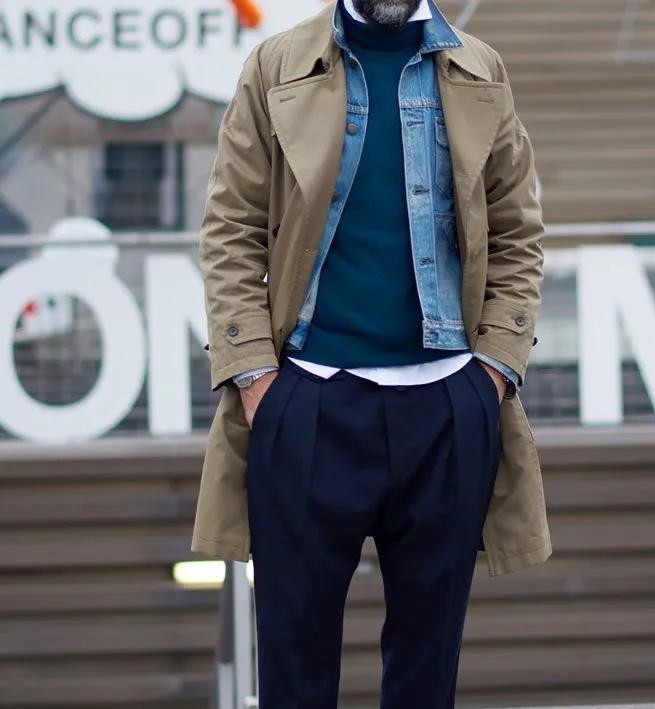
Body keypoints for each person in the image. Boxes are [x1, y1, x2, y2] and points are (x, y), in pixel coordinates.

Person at [192, 0, 552, 706]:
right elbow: (229, 227)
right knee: (293, 671)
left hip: (448, 406)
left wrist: (492, 373)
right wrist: (257, 377)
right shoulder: (276, 65)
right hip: (307, 402)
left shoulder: (480, 68)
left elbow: (518, 233)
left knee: (427, 674)